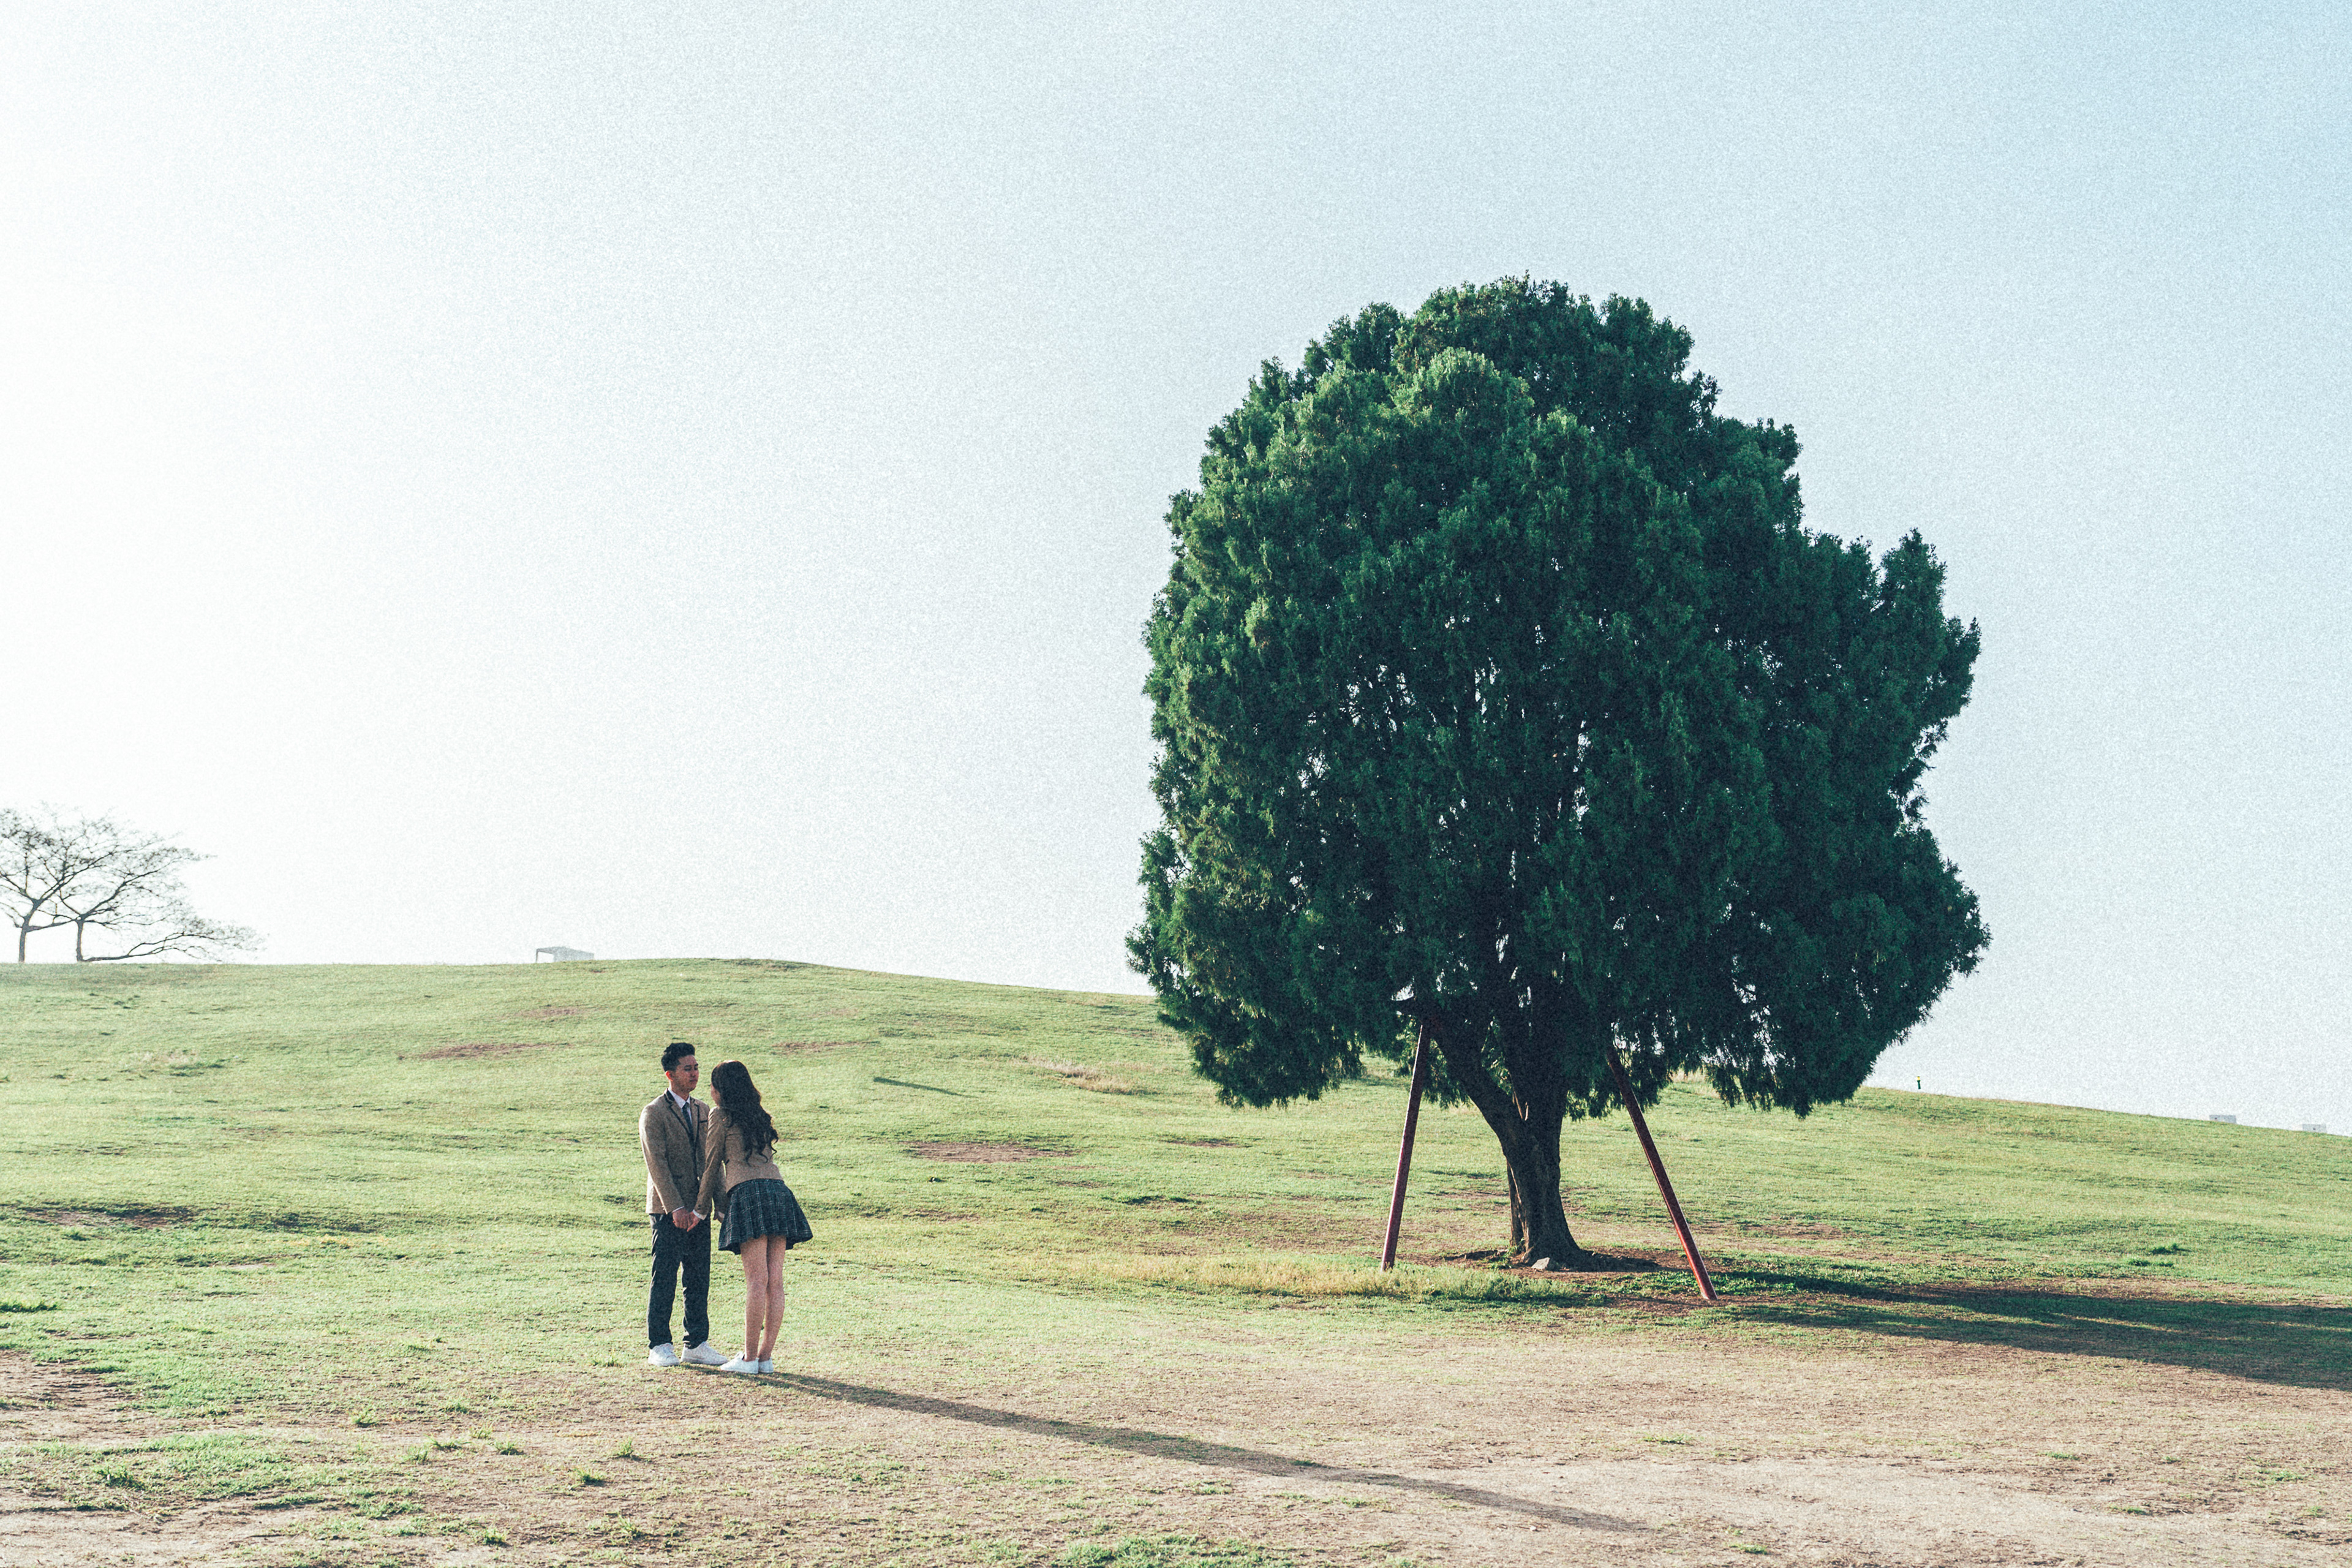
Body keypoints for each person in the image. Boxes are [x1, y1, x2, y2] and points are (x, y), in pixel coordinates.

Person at [695, 1059, 814, 1373]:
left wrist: (701, 1208)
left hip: (748, 1195)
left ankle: (748, 1359)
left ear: (720, 1089)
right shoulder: (760, 1115)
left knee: (757, 1281)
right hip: (778, 1191)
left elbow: (712, 1166)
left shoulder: (719, 1114)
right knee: (775, 1282)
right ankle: (764, 1357)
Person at [639, 1042, 728, 1368]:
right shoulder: (653, 1112)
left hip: (699, 1209)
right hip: (668, 1210)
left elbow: (712, 1161)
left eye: (696, 1068)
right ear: (670, 1074)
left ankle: (697, 1343)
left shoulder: (705, 1110)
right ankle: (659, 1344)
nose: (694, 1074)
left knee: (698, 1277)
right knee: (664, 1276)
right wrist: (675, 1208)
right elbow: (657, 1164)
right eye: (687, 1069)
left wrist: (720, 1204)